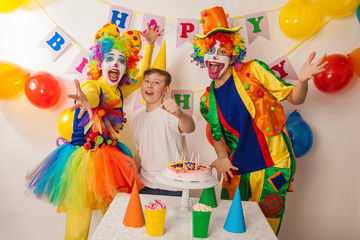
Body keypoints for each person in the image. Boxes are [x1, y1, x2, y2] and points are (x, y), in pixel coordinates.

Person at [191, 6, 327, 235]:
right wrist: (222, 158)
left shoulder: (253, 71)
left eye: (221, 51)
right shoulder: (206, 100)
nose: (214, 56)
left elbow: (295, 98)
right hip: (236, 169)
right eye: (209, 51)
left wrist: (302, 81)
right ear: (201, 55)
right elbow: (217, 136)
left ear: (233, 54)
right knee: (229, 228)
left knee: (265, 230)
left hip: (273, 165)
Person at [25, 22, 162, 240]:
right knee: (79, 226)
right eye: (109, 58)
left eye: (121, 60)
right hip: (81, 162)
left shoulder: (119, 89)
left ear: (126, 67)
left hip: (110, 158)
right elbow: (89, 94)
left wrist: (149, 45)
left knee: (115, 217)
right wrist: (86, 101)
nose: (115, 64)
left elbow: (143, 73)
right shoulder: (93, 85)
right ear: (99, 63)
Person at [133, 47, 196, 196]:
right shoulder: (138, 119)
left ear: (166, 90)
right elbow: (139, 153)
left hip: (173, 186)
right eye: (147, 81)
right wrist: (133, 179)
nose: (149, 85)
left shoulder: (170, 114)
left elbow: (189, 127)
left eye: (156, 82)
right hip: (146, 185)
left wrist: (180, 114)